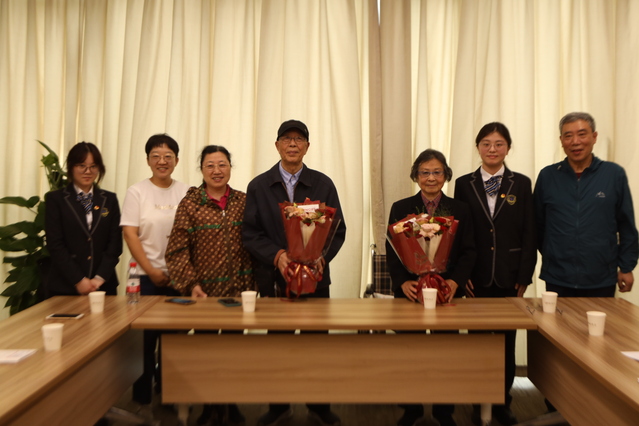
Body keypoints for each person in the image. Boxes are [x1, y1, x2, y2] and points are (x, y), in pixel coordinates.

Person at [242, 119, 347, 426]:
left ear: (307, 146)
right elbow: (250, 234)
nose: (292, 144)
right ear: (277, 145)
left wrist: (321, 257)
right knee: (278, 345)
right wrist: (277, 256)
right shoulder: (259, 186)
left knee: (317, 344)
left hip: (316, 279)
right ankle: (278, 406)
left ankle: (319, 405)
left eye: (298, 139)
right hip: (276, 279)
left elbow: (338, 230)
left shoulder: (323, 184)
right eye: (286, 139)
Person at [166, 145, 256, 426]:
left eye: (222, 164)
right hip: (204, 294)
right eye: (210, 165)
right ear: (201, 170)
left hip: (238, 292)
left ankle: (230, 404)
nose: (217, 171)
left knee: (233, 352)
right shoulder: (190, 204)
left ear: (230, 167)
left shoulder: (244, 201)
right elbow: (176, 250)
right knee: (206, 352)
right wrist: (190, 284)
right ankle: (209, 406)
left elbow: (257, 241)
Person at [454, 123, 536, 426]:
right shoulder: (464, 183)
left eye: (499, 144)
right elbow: (458, 232)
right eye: (486, 143)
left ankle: (502, 402)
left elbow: (529, 232)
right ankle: (479, 402)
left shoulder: (521, 183)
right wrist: (461, 274)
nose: (492, 149)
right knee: (477, 343)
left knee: (506, 343)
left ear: (508, 148)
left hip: (508, 275)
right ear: (478, 147)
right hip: (475, 277)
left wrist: (524, 276)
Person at [386, 149, 475, 426]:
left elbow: (469, 251)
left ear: (446, 176)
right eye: (425, 172)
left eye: (437, 172)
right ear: (416, 176)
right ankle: (411, 409)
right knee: (408, 352)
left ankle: (444, 411)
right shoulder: (401, 208)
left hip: (446, 293)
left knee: (445, 353)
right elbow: (392, 251)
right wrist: (402, 282)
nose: (431, 178)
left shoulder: (460, 209)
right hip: (410, 293)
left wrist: (454, 281)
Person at [120, 134, 190, 413]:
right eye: (156, 156)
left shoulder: (186, 191)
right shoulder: (137, 192)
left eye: (168, 156)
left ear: (176, 160)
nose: (162, 161)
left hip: (179, 278)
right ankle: (141, 399)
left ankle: (170, 395)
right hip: (145, 278)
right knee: (144, 342)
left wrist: (181, 272)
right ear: (148, 160)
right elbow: (130, 234)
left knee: (174, 340)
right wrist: (151, 270)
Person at [534, 112, 638, 297]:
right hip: (558, 277)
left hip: (601, 277)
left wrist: (626, 266)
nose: (575, 141)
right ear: (561, 140)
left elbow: (626, 225)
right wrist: (554, 253)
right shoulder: (548, 176)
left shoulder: (613, 174)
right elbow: (538, 225)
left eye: (582, 134)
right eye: (568, 136)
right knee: (557, 318)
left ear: (594, 137)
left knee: (600, 318)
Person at [44, 142, 122, 298]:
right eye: (82, 166)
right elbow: (55, 244)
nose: (88, 171)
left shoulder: (109, 199)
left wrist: (99, 278)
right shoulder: (56, 199)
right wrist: (79, 280)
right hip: (65, 286)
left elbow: (115, 243)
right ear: (71, 167)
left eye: (93, 166)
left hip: (103, 286)